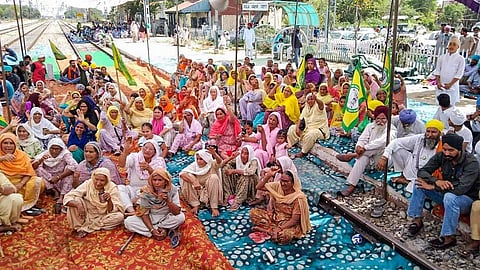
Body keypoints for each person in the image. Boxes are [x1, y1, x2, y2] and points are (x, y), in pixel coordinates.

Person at [406, 133, 480, 249]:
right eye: (445, 149)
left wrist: (434, 187)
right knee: (418, 184)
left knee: (450, 197)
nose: (447, 153)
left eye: (451, 150)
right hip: (446, 192)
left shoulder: (472, 163)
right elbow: (423, 172)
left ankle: (448, 237)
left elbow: (461, 188)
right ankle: (417, 221)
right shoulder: (442, 156)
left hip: (466, 199)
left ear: (459, 149)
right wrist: (435, 181)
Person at [336, 106, 397, 196]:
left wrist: (365, 148)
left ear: (387, 118)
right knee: (362, 158)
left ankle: (353, 155)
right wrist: (359, 146)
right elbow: (362, 139)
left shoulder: (391, 130)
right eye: (378, 118)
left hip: (383, 161)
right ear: (375, 118)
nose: (380, 121)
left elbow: (382, 141)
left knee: (380, 146)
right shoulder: (370, 126)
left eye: (383, 118)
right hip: (369, 158)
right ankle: (351, 186)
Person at [124, 169, 185, 248]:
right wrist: (152, 230)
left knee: (181, 217)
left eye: (160, 180)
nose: (157, 183)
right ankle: (162, 230)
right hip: (150, 217)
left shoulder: (172, 190)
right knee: (128, 222)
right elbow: (144, 214)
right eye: (154, 180)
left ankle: (162, 229)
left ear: (166, 181)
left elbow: (176, 212)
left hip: (166, 216)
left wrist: (168, 202)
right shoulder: (146, 191)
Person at [377, 120, 444, 191]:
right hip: (412, 168)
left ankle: (407, 181)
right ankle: (403, 175)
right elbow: (395, 142)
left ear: (440, 133)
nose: (429, 135)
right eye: (428, 131)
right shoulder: (419, 138)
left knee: (420, 188)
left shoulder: (443, 146)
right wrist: (384, 157)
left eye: (433, 132)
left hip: (427, 175)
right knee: (397, 149)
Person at [250, 170, 311, 245]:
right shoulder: (277, 186)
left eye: (286, 181)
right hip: (275, 218)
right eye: (281, 180)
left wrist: (280, 228)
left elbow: (294, 220)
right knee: (254, 213)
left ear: (293, 183)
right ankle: (270, 232)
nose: (282, 183)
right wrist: (268, 175)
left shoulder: (298, 198)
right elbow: (259, 187)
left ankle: (266, 230)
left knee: (285, 236)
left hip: (288, 223)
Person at [63, 168, 124, 238]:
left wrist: (109, 201)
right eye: (96, 179)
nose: (98, 183)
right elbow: (68, 196)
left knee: (119, 217)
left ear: (107, 180)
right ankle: (79, 227)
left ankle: (87, 228)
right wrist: (78, 205)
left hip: (103, 216)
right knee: (76, 199)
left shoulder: (112, 188)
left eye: (102, 180)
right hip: (86, 213)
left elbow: (112, 210)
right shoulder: (88, 183)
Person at [118, 137, 166, 215]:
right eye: (145, 147)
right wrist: (125, 152)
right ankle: (131, 211)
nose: (147, 150)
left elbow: (161, 178)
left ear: (155, 152)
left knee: (153, 196)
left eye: (150, 149)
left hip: (150, 191)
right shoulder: (135, 156)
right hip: (133, 189)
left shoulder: (159, 161)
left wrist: (149, 169)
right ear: (142, 148)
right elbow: (121, 164)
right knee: (120, 188)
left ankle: (136, 206)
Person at [0, 133, 44, 212]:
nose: (8, 146)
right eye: (5, 143)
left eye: (11, 143)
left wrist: (20, 184)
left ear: (15, 145)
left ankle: (27, 205)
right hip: (5, 182)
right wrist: (2, 159)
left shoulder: (22, 155)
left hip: (20, 182)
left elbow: (29, 172)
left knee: (37, 182)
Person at [32, 138, 77, 213]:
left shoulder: (65, 154)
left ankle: (62, 196)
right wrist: (41, 160)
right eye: (52, 148)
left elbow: (74, 166)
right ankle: (54, 191)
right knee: (38, 169)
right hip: (49, 179)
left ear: (61, 149)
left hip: (61, 178)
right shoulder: (45, 154)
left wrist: (58, 177)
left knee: (69, 169)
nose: (54, 151)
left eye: (57, 149)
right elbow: (33, 166)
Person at [179, 148, 223, 217]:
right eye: (197, 159)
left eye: (201, 159)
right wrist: (194, 181)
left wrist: (214, 154)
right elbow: (182, 174)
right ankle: (195, 205)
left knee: (214, 177)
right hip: (198, 191)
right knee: (188, 177)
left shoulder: (212, 164)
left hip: (210, 192)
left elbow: (220, 162)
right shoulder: (194, 165)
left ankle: (214, 207)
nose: (198, 161)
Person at [288, 93, 330, 158]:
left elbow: (321, 104)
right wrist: (297, 128)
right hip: (307, 129)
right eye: (308, 99)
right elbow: (300, 118)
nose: (310, 101)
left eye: (312, 99)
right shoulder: (306, 107)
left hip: (319, 130)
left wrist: (316, 99)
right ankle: (292, 145)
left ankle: (303, 152)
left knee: (311, 135)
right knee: (292, 128)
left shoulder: (318, 106)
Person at [222, 145, 260, 211]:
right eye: (242, 153)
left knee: (245, 176)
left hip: (250, 184)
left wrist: (234, 171)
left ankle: (237, 201)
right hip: (238, 181)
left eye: (246, 154)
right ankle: (228, 194)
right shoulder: (238, 158)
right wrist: (231, 157)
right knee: (225, 168)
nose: (243, 155)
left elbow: (250, 172)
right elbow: (227, 164)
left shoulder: (254, 160)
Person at [434, 36, 465, 106]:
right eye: (450, 44)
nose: (451, 46)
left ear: (458, 47)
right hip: (441, 86)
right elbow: (437, 71)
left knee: (450, 106)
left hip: (452, 87)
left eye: (454, 44)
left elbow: (459, 74)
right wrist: (438, 82)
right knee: (440, 105)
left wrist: (450, 84)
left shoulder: (460, 59)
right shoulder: (442, 57)